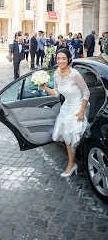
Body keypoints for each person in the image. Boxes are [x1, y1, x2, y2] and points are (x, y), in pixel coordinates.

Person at [40, 48, 90, 177]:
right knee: (67, 135)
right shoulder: (56, 73)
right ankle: (73, 162)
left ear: (68, 60)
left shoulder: (75, 74)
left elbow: (86, 92)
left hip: (79, 106)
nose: (60, 61)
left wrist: (82, 111)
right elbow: (56, 93)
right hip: (67, 107)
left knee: (69, 133)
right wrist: (45, 88)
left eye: (63, 58)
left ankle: (71, 164)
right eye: (58, 58)